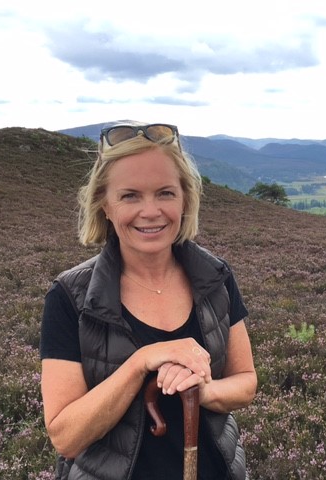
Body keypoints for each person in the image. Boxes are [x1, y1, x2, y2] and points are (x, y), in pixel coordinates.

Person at [39, 121, 257, 480]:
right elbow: (66, 436)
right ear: (104, 205)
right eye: (130, 196)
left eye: (165, 193)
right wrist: (141, 362)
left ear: (185, 198)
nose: (151, 210)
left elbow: (245, 381)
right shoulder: (69, 298)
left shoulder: (215, 278)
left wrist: (203, 391)